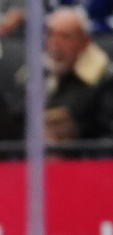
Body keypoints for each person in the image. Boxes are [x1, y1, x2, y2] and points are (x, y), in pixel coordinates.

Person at [42, 7, 113, 140]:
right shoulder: (37, 74)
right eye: (51, 34)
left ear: (84, 42)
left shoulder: (103, 81)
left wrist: (72, 131)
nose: (55, 43)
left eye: (65, 36)